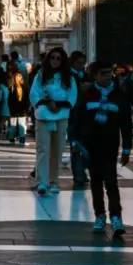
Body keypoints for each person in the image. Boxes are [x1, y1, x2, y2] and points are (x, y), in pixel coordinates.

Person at [76, 61, 126, 237]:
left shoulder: (118, 94)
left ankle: (116, 217)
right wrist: (75, 140)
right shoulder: (87, 93)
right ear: (95, 75)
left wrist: (127, 148)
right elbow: (78, 117)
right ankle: (100, 215)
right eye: (103, 73)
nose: (108, 76)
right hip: (91, 144)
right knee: (96, 181)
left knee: (111, 181)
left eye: (109, 73)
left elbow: (125, 121)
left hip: (110, 144)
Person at [29, 47, 77, 195]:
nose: (55, 61)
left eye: (58, 58)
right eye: (52, 57)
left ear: (63, 61)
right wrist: (45, 104)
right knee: (42, 149)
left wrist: (59, 105)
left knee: (57, 150)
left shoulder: (69, 77)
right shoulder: (41, 75)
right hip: (43, 115)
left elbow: (72, 96)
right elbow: (34, 93)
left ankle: (53, 181)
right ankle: (41, 182)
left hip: (61, 115)